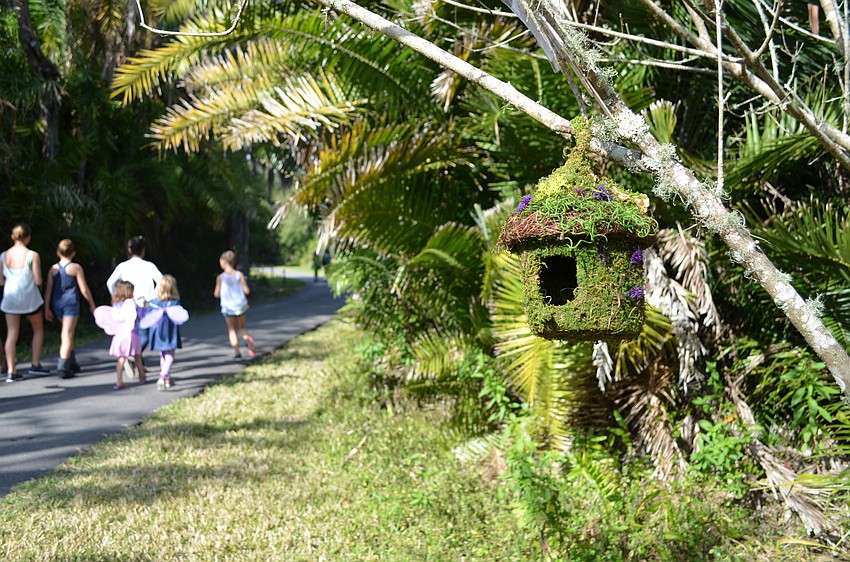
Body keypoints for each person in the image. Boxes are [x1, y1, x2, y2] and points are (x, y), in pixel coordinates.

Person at [1, 224, 48, 381]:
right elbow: (38, 280)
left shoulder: (3, 256)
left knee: (11, 334)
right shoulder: (32, 255)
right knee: (38, 330)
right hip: (29, 299)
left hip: (10, 299)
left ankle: (11, 371)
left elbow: (1, 281)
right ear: (27, 237)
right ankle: (35, 364)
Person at [44, 239, 97, 378]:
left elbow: (48, 290)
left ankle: (71, 361)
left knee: (68, 332)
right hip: (70, 303)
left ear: (58, 253)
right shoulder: (75, 268)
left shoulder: (53, 269)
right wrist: (92, 304)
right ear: (73, 253)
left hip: (57, 304)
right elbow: (84, 289)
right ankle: (63, 366)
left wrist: (47, 307)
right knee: (67, 334)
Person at [106, 235, 162, 365]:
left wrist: (117, 298)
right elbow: (161, 281)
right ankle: (133, 356)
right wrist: (152, 296)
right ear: (143, 250)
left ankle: (134, 359)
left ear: (129, 250)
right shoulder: (149, 266)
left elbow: (110, 283)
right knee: (144, 335)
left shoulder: (123, 266)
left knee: (129, 333)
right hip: (145, 304)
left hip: (127, 305)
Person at [94, 281, 146, 390]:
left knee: (121, 358)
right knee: (138, 356)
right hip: (133, 333)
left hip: (119, 334)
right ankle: (142, 376)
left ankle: (119, 381)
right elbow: (141, 315)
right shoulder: (132, 304)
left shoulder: (116, 306)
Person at [144, 275, 188, 391]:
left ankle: (167, 378)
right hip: (169, 331)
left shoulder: (154, 303)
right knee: (170, 355)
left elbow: (147, 315)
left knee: (163, 354)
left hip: (157, 331)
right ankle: (163, 376)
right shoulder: (174, 303)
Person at [214, 250, 254, 361]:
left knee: (232, 330)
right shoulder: (239, 275)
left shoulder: (220, 278)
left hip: (228, 307)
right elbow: (246, 291)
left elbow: (216, 294)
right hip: (240, 305)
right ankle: (247, 338)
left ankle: (237, 353)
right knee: (242, 327)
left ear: (224, 262)